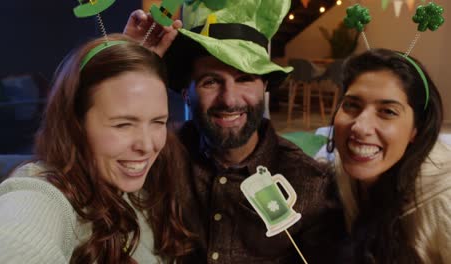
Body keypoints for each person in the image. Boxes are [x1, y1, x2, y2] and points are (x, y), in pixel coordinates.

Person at [124, 0, 344, 262]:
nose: (229, 99)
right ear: (186, 93)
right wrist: (126, 67)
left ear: (264, 86)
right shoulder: (154, 161)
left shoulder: (312, 185)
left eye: (244, 79)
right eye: (211, 81)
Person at [0, 34, 194, 263]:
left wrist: (129, 61)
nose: (147, 145)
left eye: (158, 122)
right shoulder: (44, 192)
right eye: (123, 124)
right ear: (75, 123)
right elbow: (16, 242)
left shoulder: (149, 180)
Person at [329, 48, 451, 263]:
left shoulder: (444, 199)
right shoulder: (342, 169)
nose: (360, 127)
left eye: (387, 111)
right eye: (351, 105)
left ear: (416, 129)